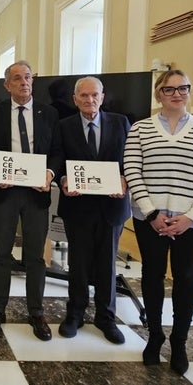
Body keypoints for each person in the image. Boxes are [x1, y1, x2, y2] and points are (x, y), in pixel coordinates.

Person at [123, 70, 193, 375]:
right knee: (152, 276)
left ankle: (179, 341)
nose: (177, 94)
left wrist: (190, 216)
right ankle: (154, 336)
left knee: (186, 278)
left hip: (191, 222)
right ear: (159, 94)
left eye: (183, 88)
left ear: (190, 92)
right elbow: (133, 170)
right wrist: (152, 213)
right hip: (149, 219)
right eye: (169, 89)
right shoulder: (140, 129)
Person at [0, 60, 58, 341]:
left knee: (36, 255)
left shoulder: (48, 113)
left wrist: (49, 173)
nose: (24, 82)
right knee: (1, 252)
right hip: (6, 192)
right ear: (7, 84)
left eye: (27, 77)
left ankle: (36, 311)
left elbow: (57, 152)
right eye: (17, 78)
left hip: (37, 194)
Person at [48, 76, 130, 345]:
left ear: (102, 97)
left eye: (94, 95)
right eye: (83, 95)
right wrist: (62, 180)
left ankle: (106, 318)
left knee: (107, 263)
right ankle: (75, 314)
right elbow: (57, 160)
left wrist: (125, 180)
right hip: (78, 206)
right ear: (75, 99)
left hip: (111, 206)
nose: (89, 100)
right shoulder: (63, 126)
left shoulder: (120, 123)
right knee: (78, 263)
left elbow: (130, 160)